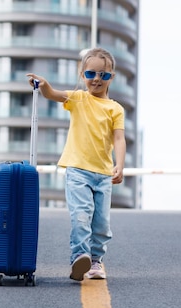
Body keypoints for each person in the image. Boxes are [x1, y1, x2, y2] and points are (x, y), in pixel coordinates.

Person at [26, 47, 126, 281]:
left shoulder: (115, 109)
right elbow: (53, 94)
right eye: (91, 74)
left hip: (103, 174)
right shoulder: (78, 98)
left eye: (104, 75)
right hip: (78, 171)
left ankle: (95, 261)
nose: (97, 79)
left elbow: (119, 138)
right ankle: (80, 257)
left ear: (112, 77)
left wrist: (119, 165)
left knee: (101, 223)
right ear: (83, 75)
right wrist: (44, 85)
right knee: (81, 215)